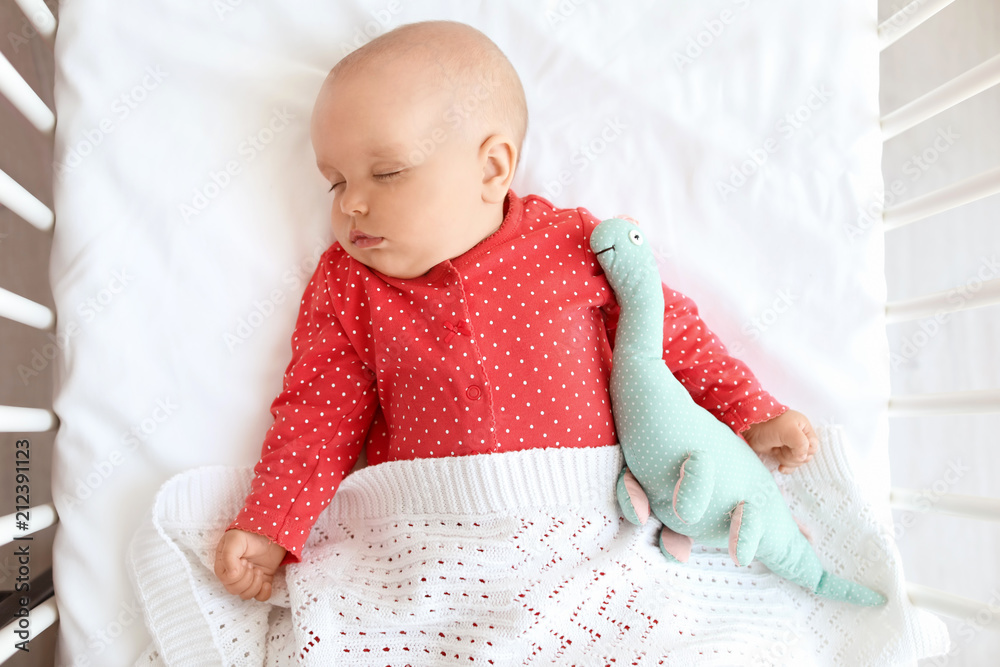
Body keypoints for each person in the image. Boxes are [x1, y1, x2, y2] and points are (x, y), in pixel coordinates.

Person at [213, 19, 819, 603]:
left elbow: (663, 331)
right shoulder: (347, 286)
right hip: (432, 539)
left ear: (492, 167)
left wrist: (748, 411)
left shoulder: (572, 245)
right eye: (336, 182)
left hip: (591, 525)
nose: (353, 204)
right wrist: (271, 523)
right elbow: (317, 415)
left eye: (387, 173)